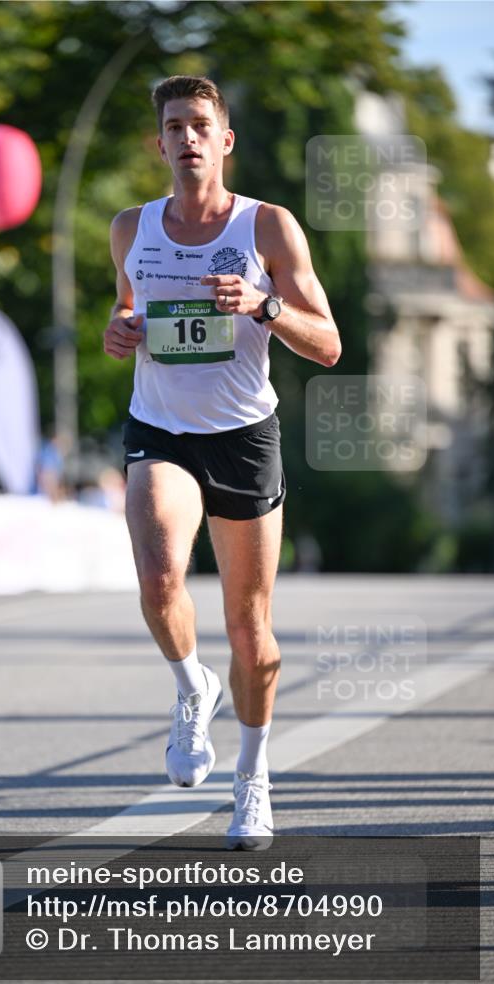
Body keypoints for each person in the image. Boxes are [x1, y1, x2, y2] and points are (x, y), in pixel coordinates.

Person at [103, 76, 340, 849]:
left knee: (248, 626)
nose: (188, 138)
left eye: (201, 125)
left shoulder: (267, 227)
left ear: (225, 140)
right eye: (174, 126)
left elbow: (329, 345)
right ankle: (187, 688)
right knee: (158, 575)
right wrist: (120, 333)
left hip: (242, 434)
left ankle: (252, 780)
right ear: (160, 142)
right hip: (160, 428)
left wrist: (261, 305)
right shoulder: (129, 229)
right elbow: (126, 311)